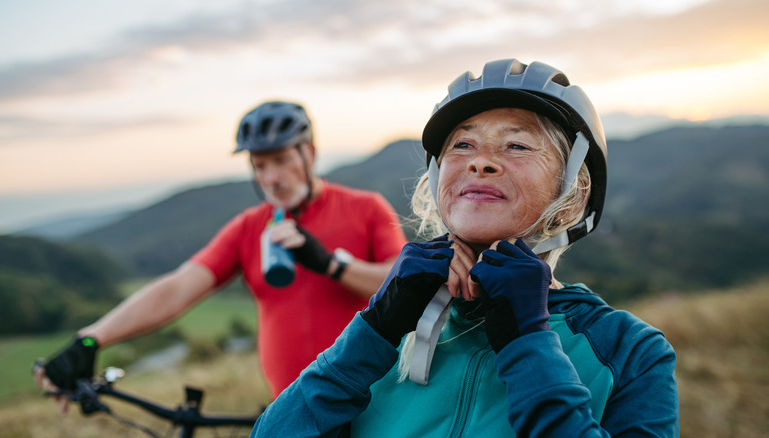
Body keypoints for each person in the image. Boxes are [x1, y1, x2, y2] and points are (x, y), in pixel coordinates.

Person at [248, 59, 679, 437]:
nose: (480, 161)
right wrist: (376, 326)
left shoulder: (629, 349)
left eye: (517, 145)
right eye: (463, 145)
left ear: (573, 195)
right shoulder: (390, 336)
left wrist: (528, 342)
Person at [34, 100, 408, 409]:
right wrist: (91, 339)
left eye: (281, 160)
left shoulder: (366, 208)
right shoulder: (249, 227)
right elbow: (178, 288)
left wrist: (331, 264)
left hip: (371, 400)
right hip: (292, 410)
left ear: (308, 153)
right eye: (260, 165)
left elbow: (402, 281)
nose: (271, 178)